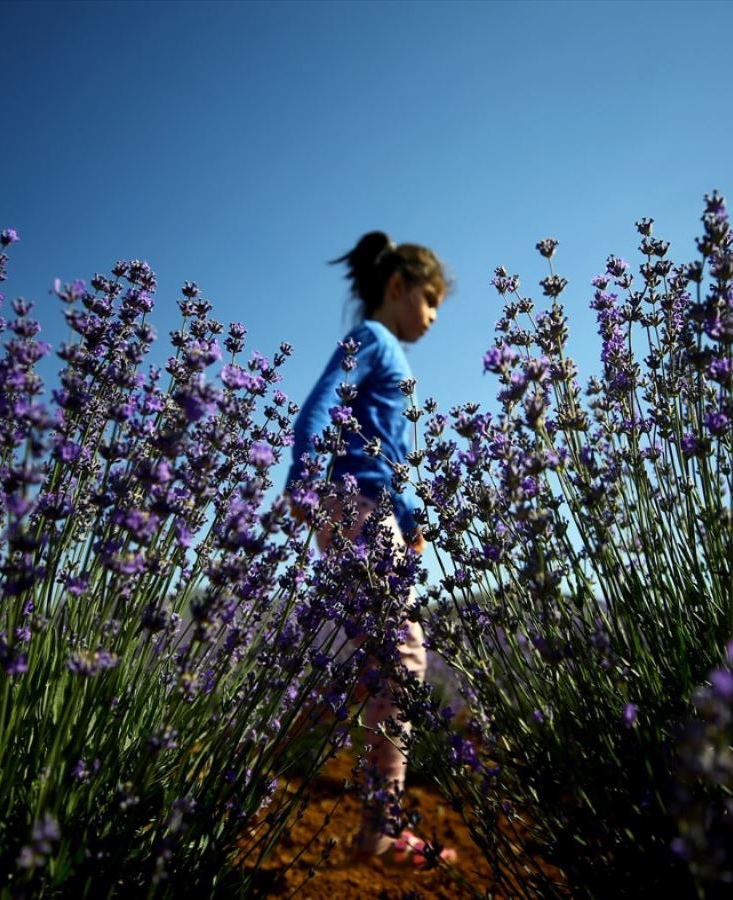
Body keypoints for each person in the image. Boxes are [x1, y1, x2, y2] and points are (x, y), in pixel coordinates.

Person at [286, 231, 453, 864]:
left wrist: (410, 517)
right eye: (430, 300)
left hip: (372, 506)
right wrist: (303, 478)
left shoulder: (388, 352)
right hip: (355, 505)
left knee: (388, 660)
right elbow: (319, 408)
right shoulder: (374, 340)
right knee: (404, 659)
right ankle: (381, 831)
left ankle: (378, 821)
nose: (433, 317)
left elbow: (384, 454)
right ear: (397, 287)